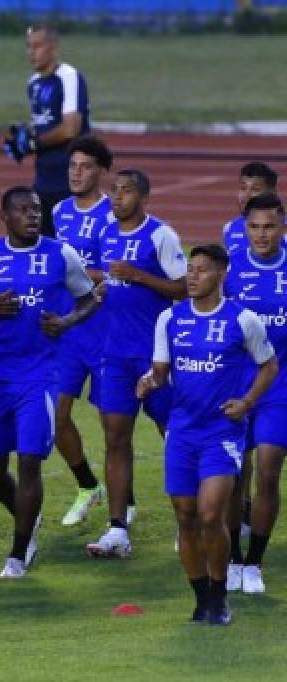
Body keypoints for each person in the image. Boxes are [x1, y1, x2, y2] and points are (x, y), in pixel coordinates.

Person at [0, 187, 97, 578]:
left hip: (41, 374)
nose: (32, 215)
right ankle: (26, 517)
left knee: (29, 460)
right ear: (4, 216)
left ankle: (18, 555)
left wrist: (66, 322)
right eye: (22, 210)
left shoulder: (61, 254)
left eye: (35, 210)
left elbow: (89, 298)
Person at [137, 245, 277, 625]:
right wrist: (149, 381)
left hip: (222, 433)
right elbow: (161, 371)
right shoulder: (170, 318)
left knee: (211, 514)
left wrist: (247, 402)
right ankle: (202, 600)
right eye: (190, 269)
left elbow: (269, 366)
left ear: (221, 274)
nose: (192, 276)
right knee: (185, 517)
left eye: (202, 270)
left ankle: (219, 594)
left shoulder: (243, 320)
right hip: (181, 432)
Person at [86, 169, 187, 558]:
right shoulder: (106, 233)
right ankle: (117, 529)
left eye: (126, 191)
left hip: (155, 354)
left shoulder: (161, 235)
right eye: (114, 190)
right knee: (115, 439)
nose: (117, 197)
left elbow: (184, 287)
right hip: (114, 354)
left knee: (174, 435)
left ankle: (188, 521)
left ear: (144, 198)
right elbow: (108, 279)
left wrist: (138, 276)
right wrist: (102, 285)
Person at [222, 192, 287, 594]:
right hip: (236, 384)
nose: (261, 235)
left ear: (283, 227)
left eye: (269, 227)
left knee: (268, 469)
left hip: (280, 385)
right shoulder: (229, 268)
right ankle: (232, 558)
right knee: (233, 475)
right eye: (254, 227)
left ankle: (254, 563)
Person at [49, 134, 113, 526]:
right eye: (72, 166)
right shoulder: (59, 211)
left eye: (85, 166)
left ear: (101, 171)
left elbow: (116, 270)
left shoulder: (113, 213)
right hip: (68, 329)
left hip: (105, 331)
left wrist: (80, 273)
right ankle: (88, 486)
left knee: (114, 426)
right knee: (55, 416)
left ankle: (125, 503)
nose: (76, 173)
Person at [4, 23, 91, 237]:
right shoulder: (33, 83)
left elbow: (71, 128)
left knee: (71, 244)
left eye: (37, 46)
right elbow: (43, 126)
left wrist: (35, 142)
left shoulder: (68, 77)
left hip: (70, 176)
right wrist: (24, 144)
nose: (31, 52)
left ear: (53, 48)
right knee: (40, 242)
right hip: (43, 178)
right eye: (28, 46)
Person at [223, 162, 279, 253]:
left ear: (273, 193)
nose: (246, 195)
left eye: (256, 189)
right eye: (243, 188)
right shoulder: (230, 228)